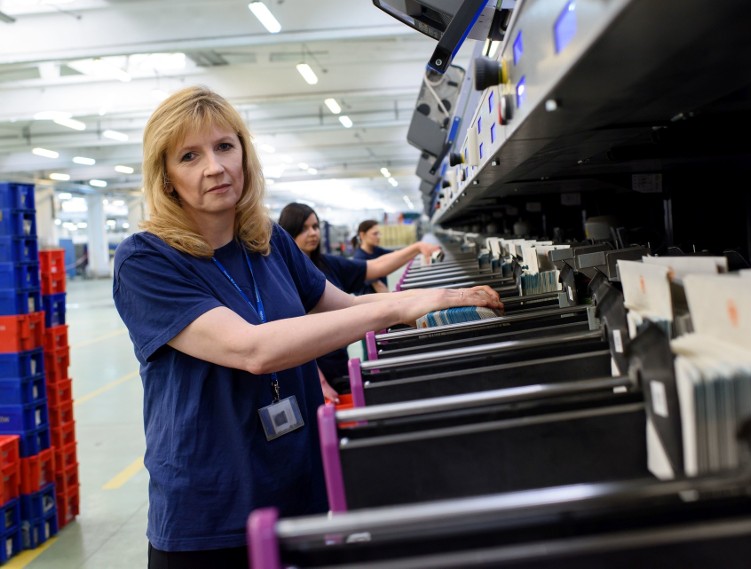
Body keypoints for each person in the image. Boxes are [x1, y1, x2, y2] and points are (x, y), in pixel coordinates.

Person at [111, 85, 503, 569]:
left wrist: (437, 308)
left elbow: (341, 308)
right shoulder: (146, 259)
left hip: (299, 489)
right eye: (189, 156)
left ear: (245, 154)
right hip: (212, 512)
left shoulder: (269, 240)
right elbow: (252, 350)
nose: (214, 167)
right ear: (166, 177)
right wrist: (394, 307)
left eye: (225, 147)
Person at [278, 203, 442, 402]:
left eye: (315, 226)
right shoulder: (281, 276)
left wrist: (416, 248)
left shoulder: (327, 264)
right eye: (304, 228)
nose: (313, 233)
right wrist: (319, 381)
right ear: (288, 232)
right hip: (312, 373)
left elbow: (375, 267)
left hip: (339, 364)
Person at [351, 219, 394, 294]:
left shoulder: (376, 250)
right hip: (371, 302)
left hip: (381, 297)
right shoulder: (360, 258)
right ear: (362, 235)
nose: (378, 237)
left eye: (379, 234)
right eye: (375, 234)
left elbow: (395, 255)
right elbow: (379, 286)